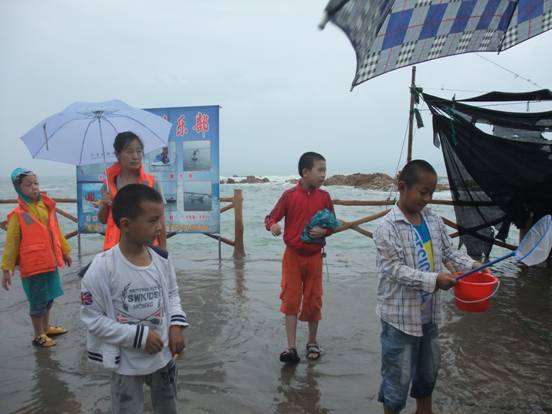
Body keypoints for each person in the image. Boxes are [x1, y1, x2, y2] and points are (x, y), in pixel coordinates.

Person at [373, 160, 487, 414]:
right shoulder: (386, 228)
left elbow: (449, 252)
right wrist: (435, 280)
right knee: (397, 381)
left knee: (427, 374)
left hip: (429, 316)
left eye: (432, 193)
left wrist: (474, 265)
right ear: (403, 187)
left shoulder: (432, 219)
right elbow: (395, 270)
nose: (427, 199)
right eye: (423, 192)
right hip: (399, 320)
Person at [80, 184, 188, 414]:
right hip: (125, 363)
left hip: (162, 357)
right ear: (126, 224)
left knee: (168, 407)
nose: (160, 227)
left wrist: (176, 325)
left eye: (161, 219)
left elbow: (172, 294)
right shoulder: (101, 268)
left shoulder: (162, 260)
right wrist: (138, 336)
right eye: (152, 221)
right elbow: (92, 319)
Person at [265, 152, 334, 364]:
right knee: (290, 299)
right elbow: (270, 218)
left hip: (315, 256)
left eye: (324, 170)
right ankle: (291, 347)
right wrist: (273, 226)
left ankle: (312, 342)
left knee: (314, 299)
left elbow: (333, 224)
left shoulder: (324, 197)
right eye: (319, 170)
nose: (323, 174)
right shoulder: (289, 196)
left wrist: (325, 231)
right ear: (305, 172)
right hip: (292, 256)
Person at [1, 168, 72, 348]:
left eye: (36, 183)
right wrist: (6, 268)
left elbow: (56, 231)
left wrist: (65, 251)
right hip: (33, 267)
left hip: (50, 263)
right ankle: (38, 334)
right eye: (28, 184)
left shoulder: (46, 206)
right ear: (18, 188)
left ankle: (46, 328)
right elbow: (11, 243)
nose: (34, 187)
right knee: (37, 301)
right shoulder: (17, 214)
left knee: (49, 298)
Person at [98, 131, 167, 250]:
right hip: (117, 250)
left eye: (139, 151)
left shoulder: (151, 183)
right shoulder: (110, 184)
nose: (135, 156)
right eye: (129, 152)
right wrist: (104, 205)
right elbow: (103, 219)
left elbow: (160, 219)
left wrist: (163, 249)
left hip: (147, 248)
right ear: (117, 154)